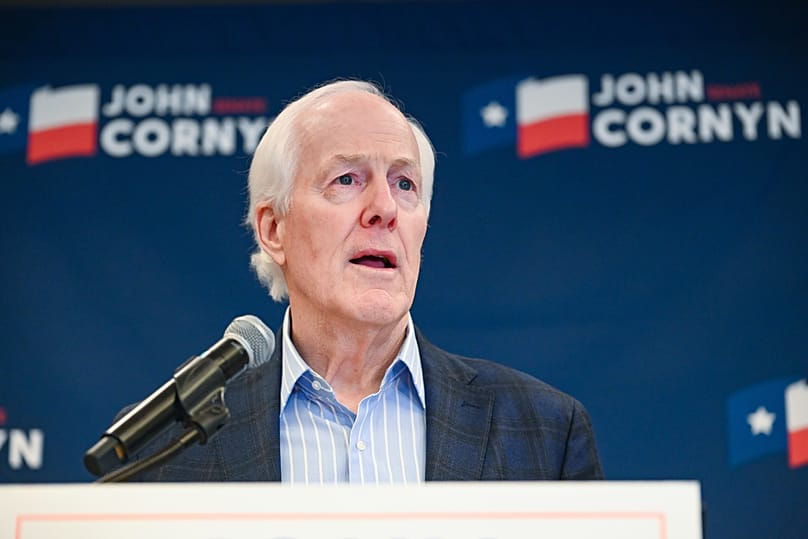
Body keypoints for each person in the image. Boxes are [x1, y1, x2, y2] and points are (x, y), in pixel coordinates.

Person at [130, 79, 603, 482]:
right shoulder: (169, 446)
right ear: (274, 230)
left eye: (405, 184)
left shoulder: (545, 432)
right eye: (347, 179)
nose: (385, 208)